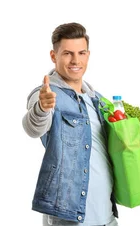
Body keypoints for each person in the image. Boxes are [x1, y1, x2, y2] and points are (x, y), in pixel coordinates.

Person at [22, 22, 119, 226]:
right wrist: (42, 107)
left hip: (107, 217)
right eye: (67, 53)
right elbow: (33, 128)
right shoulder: (47, 94)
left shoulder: (97, 100)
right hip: (69, 218)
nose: (76, 60)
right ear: (53, 56)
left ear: (88, 55)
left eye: (81, 53)